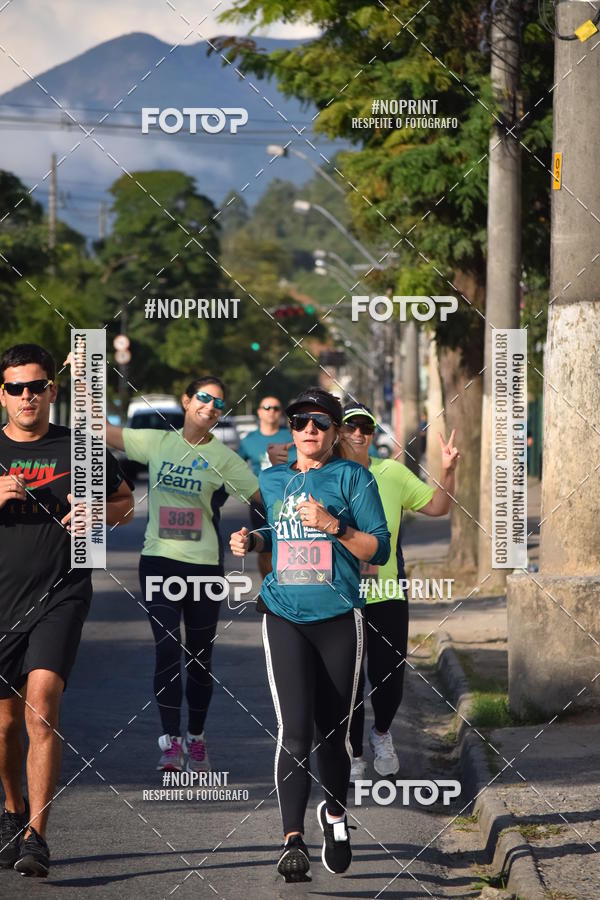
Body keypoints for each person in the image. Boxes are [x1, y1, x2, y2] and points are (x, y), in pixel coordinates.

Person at [230, 387, 390, 882]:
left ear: (336, 430)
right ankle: (292, 841)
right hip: (283, 614)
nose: (308, 430)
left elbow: (378, 550)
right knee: (294, 729)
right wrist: (251, 539)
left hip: (339, 617)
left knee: (333, 731)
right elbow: (277, 532)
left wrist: (333, 525)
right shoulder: (273, 479)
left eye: (320, 422)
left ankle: (336, 814)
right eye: (300, 421)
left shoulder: (353, 477)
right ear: (292, 428)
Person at [0, 343, 134, 877]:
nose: (27, 396)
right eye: (16, 388)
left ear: (52, 391)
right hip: (2, 600)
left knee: (41, 703)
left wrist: (98, 513)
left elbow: (125, 503)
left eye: (37, 386)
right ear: (2, 394)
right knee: (5, 724)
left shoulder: (80, 448)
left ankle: (37, 835)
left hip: (62, 592)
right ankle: (13, 812)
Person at [106, 377, 260, 774]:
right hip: (158, 561)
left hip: (204, 566)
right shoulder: (157, 442)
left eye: (219, 404)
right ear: (187, 401)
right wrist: (83, 372)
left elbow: (264, 500)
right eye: (204, 398)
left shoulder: (226, 460)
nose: (210, 407)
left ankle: (196, 737)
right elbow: (98, 429)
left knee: (200, 657)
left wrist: (258, 540)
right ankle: (171, 742)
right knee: (167, 648)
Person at [339, 402, 459, 781]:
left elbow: (438, 506)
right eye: (351, 426)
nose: (359, 433)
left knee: (388, 677)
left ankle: (381, 733)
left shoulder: (391, 472)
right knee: (349, 680)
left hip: (387, 591)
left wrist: (448, 469)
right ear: (339, 432)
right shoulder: (326, 474)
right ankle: (353, 753)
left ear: (373, 434)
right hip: (340, 595)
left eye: (366, 428)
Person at [238, 396, 296, 577]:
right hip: (260, 501)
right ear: (259, 412)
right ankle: (268, 589)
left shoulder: (291, 436)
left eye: (276, 408)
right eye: (267, 407)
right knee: (265, 548)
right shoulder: (249, 440)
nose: (271, 411)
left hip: (289, 500)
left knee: (289, 544)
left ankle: (290, 588)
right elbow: (235, 468)